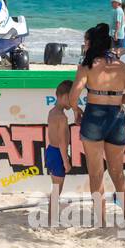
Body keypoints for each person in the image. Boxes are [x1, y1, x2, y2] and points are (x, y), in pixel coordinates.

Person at [69, 23, 125, 227]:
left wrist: (77, 110)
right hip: (116, 117)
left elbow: (74, 97)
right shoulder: (120, 66)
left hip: (94, 115)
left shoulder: (86, 66)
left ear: (91, 44)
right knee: (117, 172)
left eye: (86, 42)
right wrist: (117, 101)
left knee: (96, 171)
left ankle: (100, 219)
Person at [46, 80, 82, 225]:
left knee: (55, 188)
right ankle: (51, 219)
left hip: (51, 151)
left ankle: (51, 217)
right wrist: (66, 161)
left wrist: (75, 108)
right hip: (57, 153)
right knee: (57, 190)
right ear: (62, 96)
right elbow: (61, 141)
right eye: (71, 98)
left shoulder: (53, 112)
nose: (74, 101)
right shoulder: (62, 117)